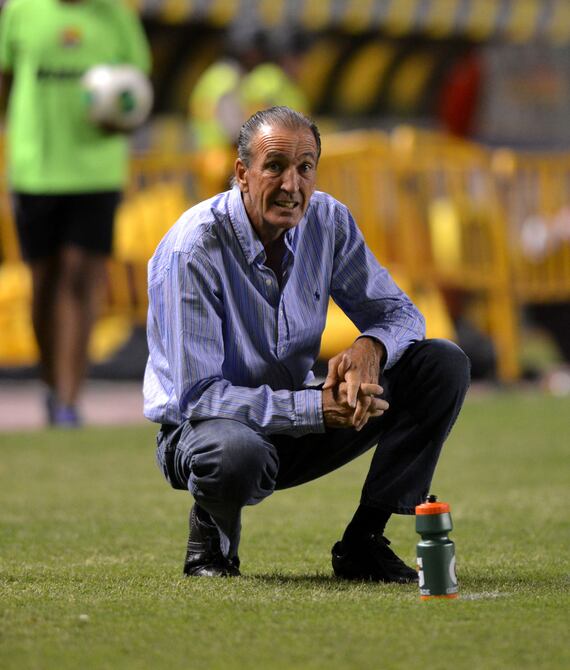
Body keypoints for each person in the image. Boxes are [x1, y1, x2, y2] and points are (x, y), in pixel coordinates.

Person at [144, 106, 470, 580]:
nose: (291, 185)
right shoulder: (192, 248)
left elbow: (400, 314)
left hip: (294, 417)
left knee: (441, 364)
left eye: (305, 167)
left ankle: (364, 542)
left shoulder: (328, 220)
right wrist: (314, 408)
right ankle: (211, 539)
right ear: (242, 173)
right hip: (204, 431)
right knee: (235, 453)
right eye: (274, 166)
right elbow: (197, 396)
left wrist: (371, 347)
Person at [0, 0, 151, 427]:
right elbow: (6, 82)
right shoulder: (21, 11)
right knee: (43, 283)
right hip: (34, 170)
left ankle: (69, 397)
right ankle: (53, 383)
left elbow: (138, 88)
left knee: (79, 275)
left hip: (97, 171)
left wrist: (124, 116)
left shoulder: (117, 16)